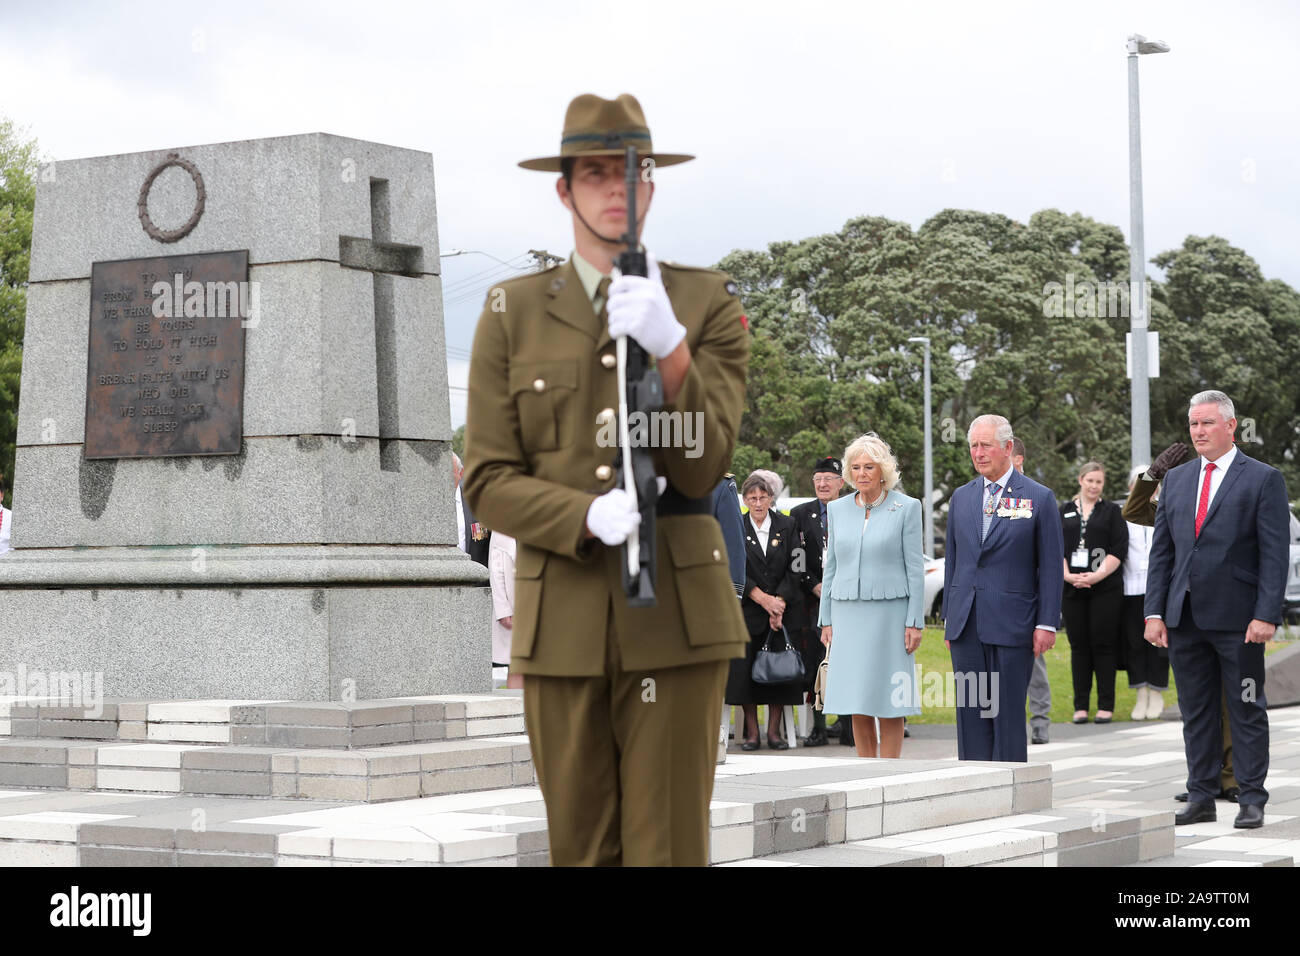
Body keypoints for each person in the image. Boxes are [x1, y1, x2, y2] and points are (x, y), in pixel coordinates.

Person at [462, 93, 750, 865]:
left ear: (653, 186)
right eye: (595, 173)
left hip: (678, 623)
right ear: (564, 190)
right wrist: (582, 516)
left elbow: (707, 461)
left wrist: (671, 346)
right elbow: (486, 479)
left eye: (634, 172)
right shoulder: (512, 310)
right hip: (565, 621)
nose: (617, 188)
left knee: (668, 848)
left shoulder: (705, 301)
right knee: (581, 850)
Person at [1144, 390, 1289, 829]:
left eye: (1207, 423)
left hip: (1240, 621)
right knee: (1197, 711)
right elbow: (1163, 553)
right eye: (1193, 424)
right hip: (1184, 619)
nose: (1198, 431)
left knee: (1246, 708)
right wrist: (1154, 612)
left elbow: (1273, 553)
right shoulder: (1179, 478)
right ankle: (1202, 795)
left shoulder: (1263, 478)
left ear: (1231, 426)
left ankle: (1251, 797)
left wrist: (1266, 614)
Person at [943, 415, 1063, 763]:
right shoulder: (961, 498)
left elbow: (1051, 567)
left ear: (1008, 448)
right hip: (966, 624)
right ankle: (974, 785)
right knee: (971, 713)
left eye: (986, 445)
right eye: (973, 446)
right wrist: (950, 618)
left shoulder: (1038, 498)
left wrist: (1046, 623)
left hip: (1014, 624)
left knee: (1007, 712)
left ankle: (1010, 788)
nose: (978, 453)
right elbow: (955, 562)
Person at [1126, 441, 1240, 803]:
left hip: (1228, 605)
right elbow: (1135, 510)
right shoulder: (1178, 497)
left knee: (1232, 699)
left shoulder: (1240, 486)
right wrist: (1153, 476)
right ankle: (1204, 780)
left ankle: (1233, 778)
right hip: (1187, 609)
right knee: (1199, 704)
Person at [818, 434, 924, 758]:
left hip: (891, 617)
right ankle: (866, 772)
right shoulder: (836, 510)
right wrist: (825, 619)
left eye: (869, 467)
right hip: (846, 615)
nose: (862, 473)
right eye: (856, 467)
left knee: (889, 698)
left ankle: (890, 774)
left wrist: (915, 621)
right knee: (856, 698)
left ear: (883, 471)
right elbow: (831, 567)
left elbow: (915, 568)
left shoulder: (906, 508)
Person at [726, 472, 804, 750]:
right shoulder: (736, 525)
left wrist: (778, 602)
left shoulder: (788, 524)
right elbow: (732, 565)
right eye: (752, 498)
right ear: (745, 500)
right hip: (748, 609)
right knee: (744, 672)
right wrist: (760, 598)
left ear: (772, 498)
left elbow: (797, 565)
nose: (758, 503)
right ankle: (751, 732)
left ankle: (773, 732)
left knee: (778, 674)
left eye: (763, 497)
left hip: (782, 612)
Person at [1059, 462, 1127, 724]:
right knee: (1079, 646)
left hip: (1105, 589)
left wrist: (1097, 576)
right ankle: (1080, 707)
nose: (1094, 486)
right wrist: (1067, 575)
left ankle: (1105, 706)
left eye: (1099, 482)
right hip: (1072, 587)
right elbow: (1055, 546)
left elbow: (1119, 549)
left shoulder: (1112, 512)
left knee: (1103, 644)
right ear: (1080, 480)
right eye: (1090, 481)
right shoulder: (1063, 510)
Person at [789, 457, 845, 747]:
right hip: (814, 599)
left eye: (828, 479)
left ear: (841, 483)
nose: (822, 484)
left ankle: (848, 725)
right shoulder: (800, 514)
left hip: (847, 597)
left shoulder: (855, 509)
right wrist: (815, 586)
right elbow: (795, 558)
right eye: (818, 479)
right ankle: (818, 727)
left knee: (846, 659)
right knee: (815, 661)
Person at [1012, 439, 1052, 744]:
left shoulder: (1037, 496)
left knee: (1035, 665)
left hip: (1030, 598)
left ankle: (1041, 722)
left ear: (1018, 458)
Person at [1121, 465, 1168, 721]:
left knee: (1158, 642)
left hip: (1158, 588)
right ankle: (1141, 691)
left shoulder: (1163, 511)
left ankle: (1158, 691)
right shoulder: (1123, 514)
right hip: (1131, 588)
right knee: (1135, 643)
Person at [488, 531, 521, 689]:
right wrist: (503, 610)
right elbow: (496, 568)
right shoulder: (504, 518)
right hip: (516, 603)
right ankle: (517, 711)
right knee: (517, 664)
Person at [452, 453, 489, 567]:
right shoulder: (428, 502)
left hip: (474, 578)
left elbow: (486, 541)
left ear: (461, 473)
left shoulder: (477, 503)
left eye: (448, 472)